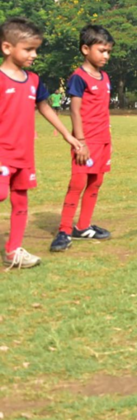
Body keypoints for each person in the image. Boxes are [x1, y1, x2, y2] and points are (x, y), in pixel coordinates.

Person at [0, 18, 83, 269]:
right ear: (7, 48)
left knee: (20, 200)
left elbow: (44, 107)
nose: (34, 54)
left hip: (25, 155)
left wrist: (68, 135)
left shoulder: (34, 81)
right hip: (2, 153)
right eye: (28, 49)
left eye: (36, 49)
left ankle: (14, 251)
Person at [51, 26, 116, 253]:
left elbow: (102, 110)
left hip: (103, 141)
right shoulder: (78, 78)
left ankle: (83, 226)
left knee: (95, 182)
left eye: (108, 51)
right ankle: (64, 230)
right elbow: (75, 111)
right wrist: (80, 142)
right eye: (102, 50)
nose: (106, 56)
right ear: (85, 49)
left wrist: (108, 140)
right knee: (77, 183)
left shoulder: (105, 77)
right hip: (86, 142)